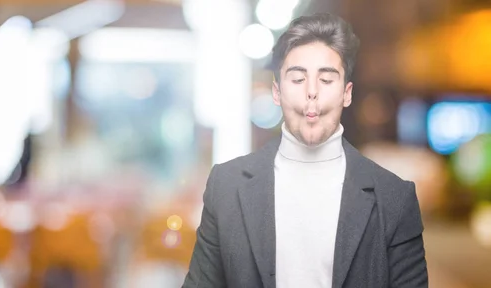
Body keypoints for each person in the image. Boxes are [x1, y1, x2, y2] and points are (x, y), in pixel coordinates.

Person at [182, 13, 428, 288]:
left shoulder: (394, 198)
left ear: (347, 93)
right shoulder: (226, 187)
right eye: (298, 79)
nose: (312, 92)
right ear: (277, 92)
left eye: (326, 80)